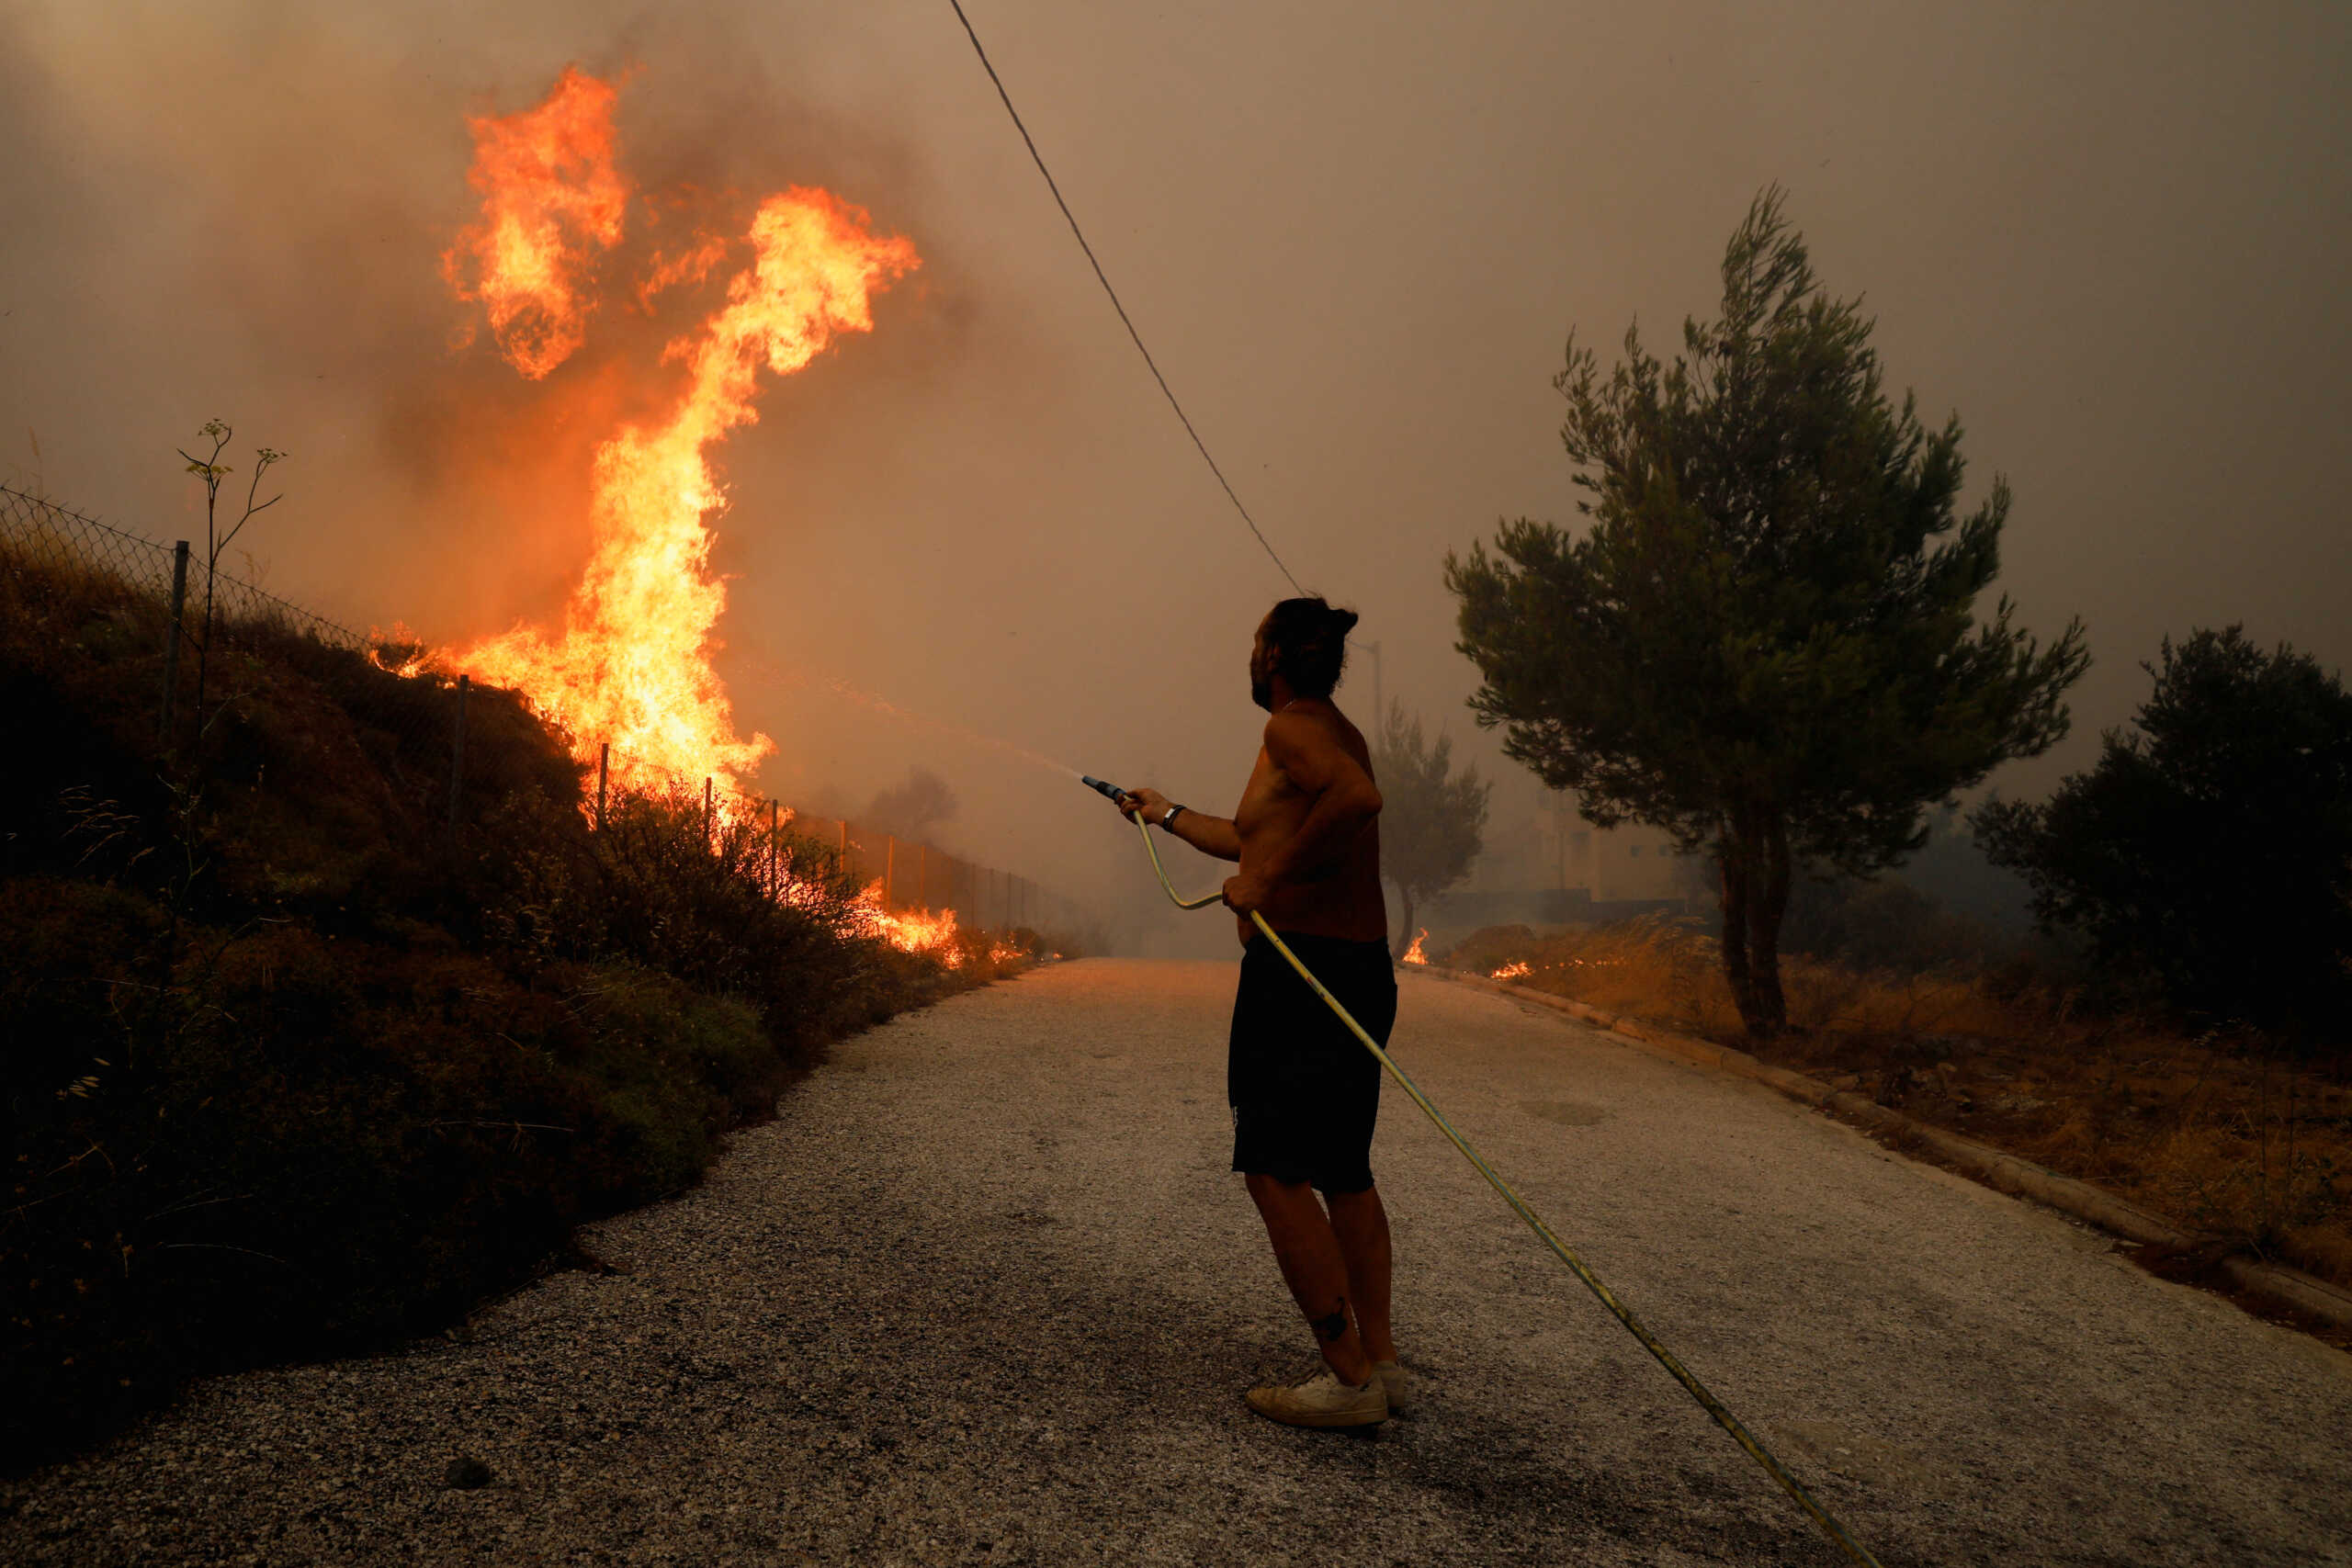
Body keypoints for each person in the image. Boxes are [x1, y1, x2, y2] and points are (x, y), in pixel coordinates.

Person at [1114, 596, 1404, 1429]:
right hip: (1357, 969)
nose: (1251, 657)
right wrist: (1163, 813)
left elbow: (1355, 803)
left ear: (1273, 655)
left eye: (1255, 645)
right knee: (1346, 1169)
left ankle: (1350, 1383)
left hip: (1301, 974)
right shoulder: (1334, 729)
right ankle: (1382, 1361)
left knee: (1275, 1169)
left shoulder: (1293, 733)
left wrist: (1267, 884)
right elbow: (1253, 834)